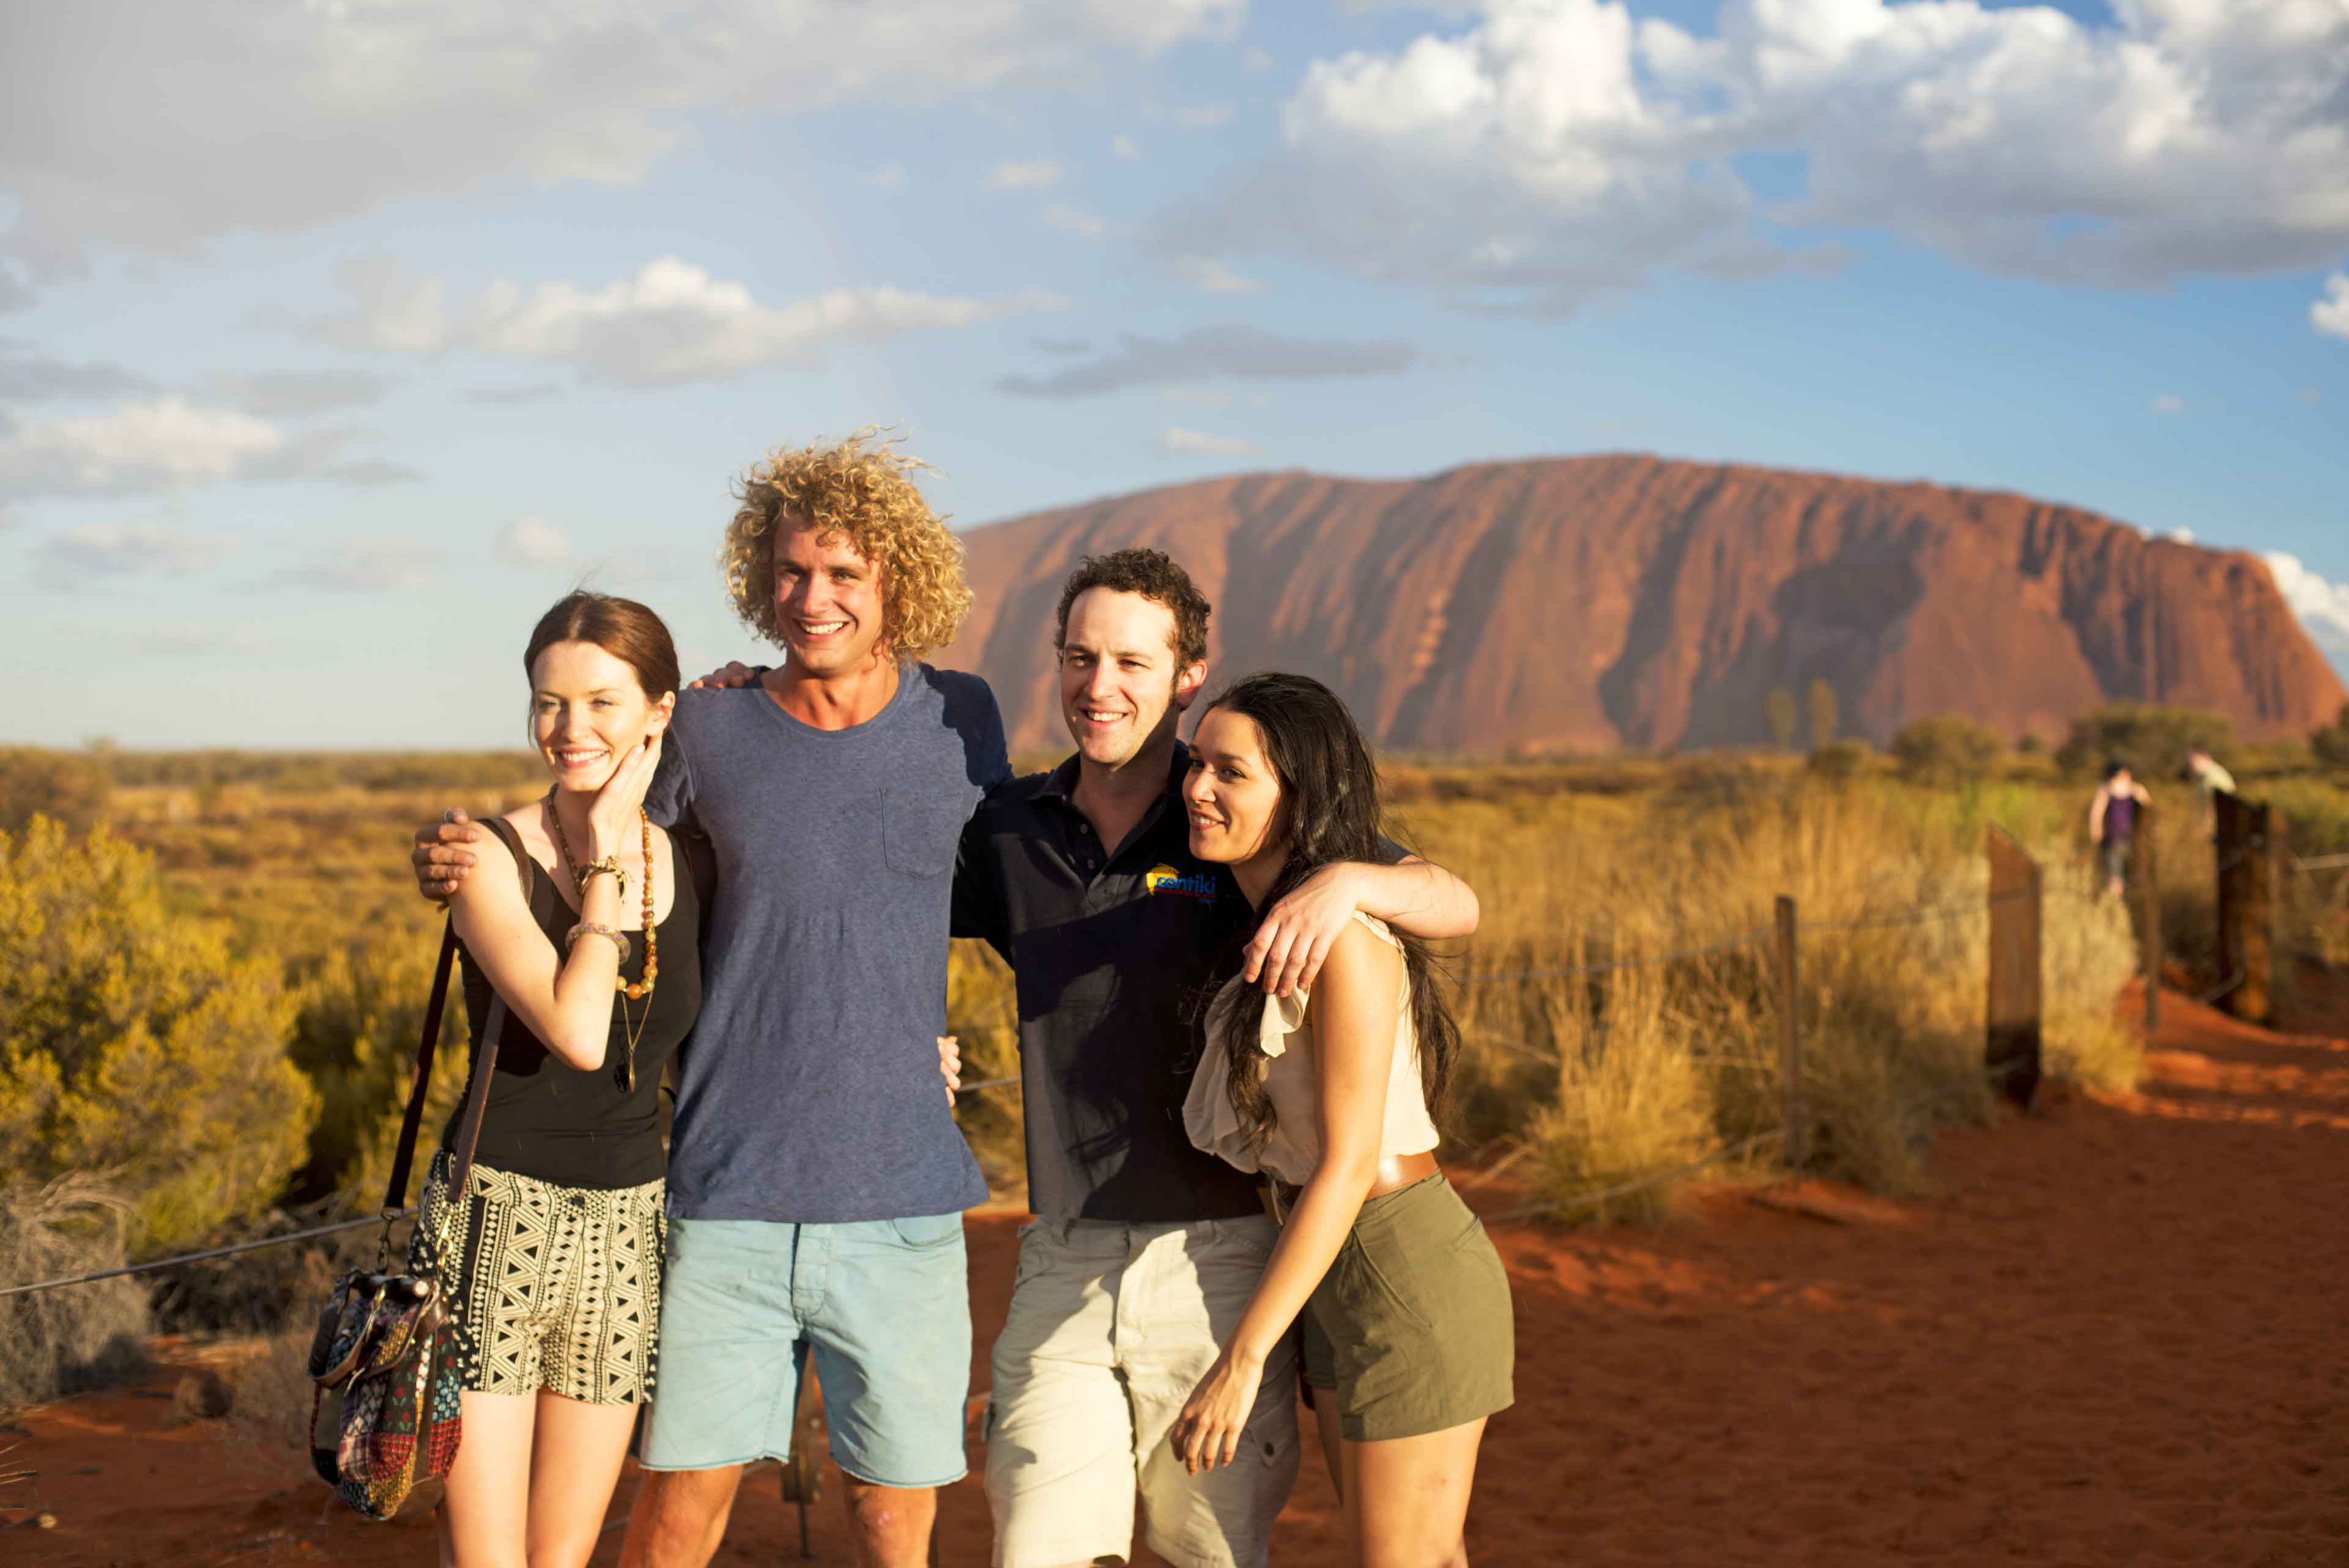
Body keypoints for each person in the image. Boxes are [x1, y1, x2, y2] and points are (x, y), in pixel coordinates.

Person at [696, 547, 1480, 1568]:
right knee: (1039, 1543)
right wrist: (761, 701)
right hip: (1063, 1250)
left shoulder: (1231, 814)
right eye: (1079, 657)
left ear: (1189, 675)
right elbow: (866, 899)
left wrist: (1353, 883)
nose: (1099, 686)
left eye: (1131, 661)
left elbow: (1453, 899)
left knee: (1213, 1551)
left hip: (1225, 1257)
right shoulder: (1009, 827)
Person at [414, 434, 1007, 1568]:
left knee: (892, 1520)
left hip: (901, 1196)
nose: (813, 598)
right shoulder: (709, 725)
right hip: (723, 1192)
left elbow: (1017, 874)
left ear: (900, 578)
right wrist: (455, 853)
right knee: (676, 1517)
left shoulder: (960, 720)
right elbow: (592, 824)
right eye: (791, 571)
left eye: (843, 572)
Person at [1174, 672, 1512, 1568]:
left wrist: (1245, 1357)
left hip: (1398, 1261)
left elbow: (1349, 1161)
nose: (1198, 788)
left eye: (1231, 772)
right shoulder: (1277, 915)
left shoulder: (1347, 939)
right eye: (1198, 764)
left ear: (1300, 795)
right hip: (1334, 1260)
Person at [422, 590, 701, 1568]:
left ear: (659, 711)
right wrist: (605, 856)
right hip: (496, 1223)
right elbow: (580, 1031)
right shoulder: (487, 858)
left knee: (564, 1557)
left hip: (626, 1230)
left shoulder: (690, 859)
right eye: (550, 702)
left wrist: (922, 1048)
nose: (570, 727)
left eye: (601, 702)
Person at [2088, 760, 2151, 900]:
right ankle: (2115, 903)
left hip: (2132, 839)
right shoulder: (2106, 791)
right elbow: (2096, 814)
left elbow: (2147, 809)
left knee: (2125, 874)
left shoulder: (2135, 790)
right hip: (2113, 838)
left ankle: (2121, 901)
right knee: (2115, 874)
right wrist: (2096, 833)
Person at [2184, 746, 2235, 836]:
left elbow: (2212, 810)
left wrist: (2204, 831)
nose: (2192, 766)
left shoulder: (2213, 777)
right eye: (2191, 763)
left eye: (2196, 761)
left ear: (2206, 759)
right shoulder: (2204, 778)